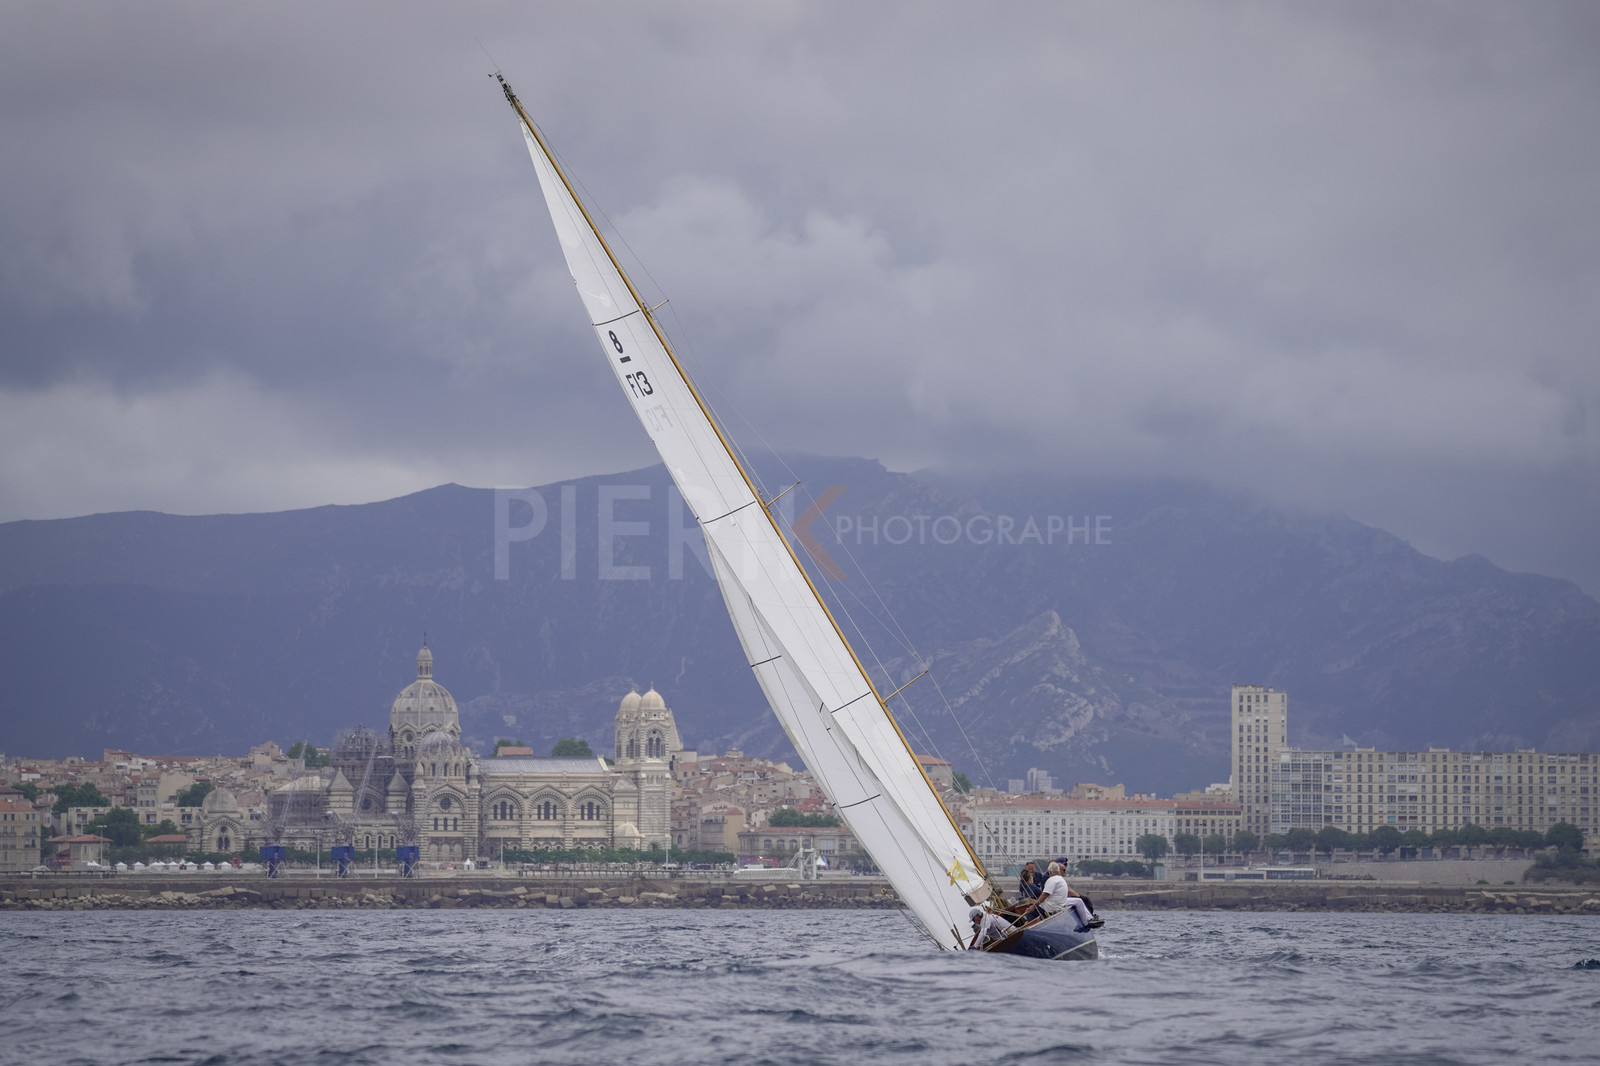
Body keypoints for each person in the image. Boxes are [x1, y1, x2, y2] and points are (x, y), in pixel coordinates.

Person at [1027, 861, 1098, 931]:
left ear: (1050, 871)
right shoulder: (1061, 879)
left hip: (1053, 905)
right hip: (1059, 902)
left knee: (1030, 913)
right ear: (1058, 871)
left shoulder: (1051, 880)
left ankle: (1031, 929)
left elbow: (1045, 894)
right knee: (1079, 901)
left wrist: (1034, 906)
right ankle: (1087, 921)